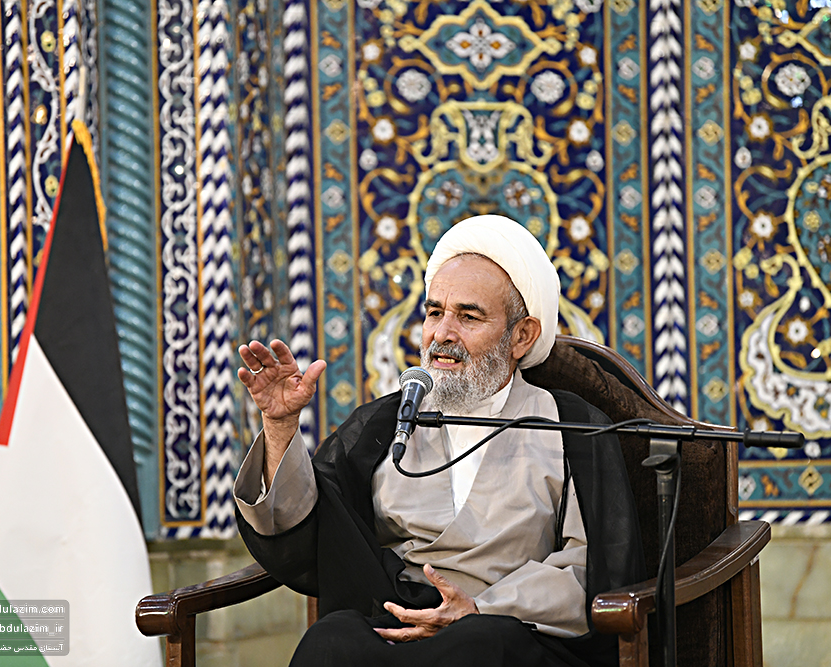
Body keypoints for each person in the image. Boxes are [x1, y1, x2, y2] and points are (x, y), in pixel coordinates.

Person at [233, 215, 643, 667]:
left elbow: (590, 567)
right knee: (331, 640)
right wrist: (280, 425)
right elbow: (310, 534)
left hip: (509, 630)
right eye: (434, 313)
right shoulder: (386, 422)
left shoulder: (570, 427)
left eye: (468, 316)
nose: (442, 334)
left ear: (521, 336)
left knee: (476, 645)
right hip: (398, 623)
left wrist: (480, 609)